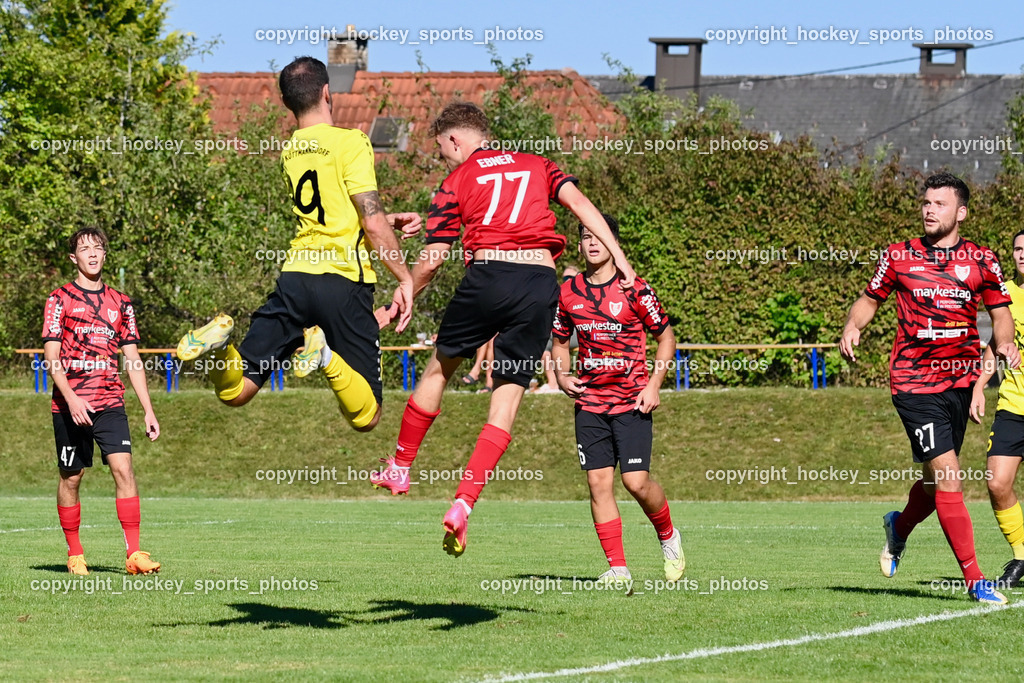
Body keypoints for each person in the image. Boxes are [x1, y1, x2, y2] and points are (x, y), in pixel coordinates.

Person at [370, 101, 636, 557]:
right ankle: (464, 503)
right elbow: (581, 205)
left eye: (441, 150)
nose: (443, 159)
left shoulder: (456, 181)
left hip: (487, 276)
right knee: (507, 398)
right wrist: (621, 257)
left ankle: (400, 465)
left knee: (438, 370)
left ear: (456, 140)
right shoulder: (539, 166)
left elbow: (433, 257)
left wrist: (404, 291)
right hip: (537, 283)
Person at [176, 57, 418, 432]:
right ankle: (324, 356)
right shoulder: (352, 141)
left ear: (288, 103)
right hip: (342, 281)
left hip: (295, 279)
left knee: (236, 391)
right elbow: (368, 219)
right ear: (327, 92)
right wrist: (404, 277)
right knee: (368, 415)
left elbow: (333, 214)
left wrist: (387, 221)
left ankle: (221, 346)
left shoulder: (291, 150)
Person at [839, 172, 1020, 604]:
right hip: (913, 384)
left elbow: (1000, 313)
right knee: (951, 477)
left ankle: (898, 528)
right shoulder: (899, 256)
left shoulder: (982, 259)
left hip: (958, 383)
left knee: (935, 486)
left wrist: (1006, 339)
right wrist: (852, 324)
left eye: (939, 204)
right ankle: (977, 582)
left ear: (961, 212)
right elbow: (869, 299)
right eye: (925, 202)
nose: (928, 209)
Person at [551, 215, 682, 585]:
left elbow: (666, 337)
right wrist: (562, 376)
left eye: (598, 236)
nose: (592, 242)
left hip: (631, 401)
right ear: (579, 245)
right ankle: (618, 568)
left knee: (636, 482)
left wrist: (654, 383)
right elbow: (560, 342)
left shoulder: (634, 288)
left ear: (612, 243)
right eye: (585, 237)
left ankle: (669, 536)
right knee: (597, 483)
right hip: (591, 402)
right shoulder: (568, 291)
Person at [43, 228, 161, 576]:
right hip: (69, 406)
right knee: (72, 477)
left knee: (124, 469)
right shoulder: (59, 299)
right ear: (73, 258)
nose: (92, 253)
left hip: (110, 402)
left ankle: (135, 554)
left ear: (105, 255)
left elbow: (133, 359)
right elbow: (51, 357)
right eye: (84, 249)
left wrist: (148, 409)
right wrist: (71, 398)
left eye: (97, 248)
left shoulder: (121, 303)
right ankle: (75, 554)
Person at [970, 228, 1024, 588]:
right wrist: (978, 386)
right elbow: (994, 344)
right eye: (1019, 249)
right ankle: (1022, 557)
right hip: (1013, 406)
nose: (1023, 255)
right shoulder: (1005, 293)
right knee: (997, 482)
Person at [536, 265, 580, 393]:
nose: (567, 280)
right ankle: (553, 383)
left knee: (555, 340)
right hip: (564, 332)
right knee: (543, 344)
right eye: (565, 277)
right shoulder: (560, 294)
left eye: (571, 277)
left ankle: (564, 382)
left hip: (581, 333)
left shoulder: (583, 293)